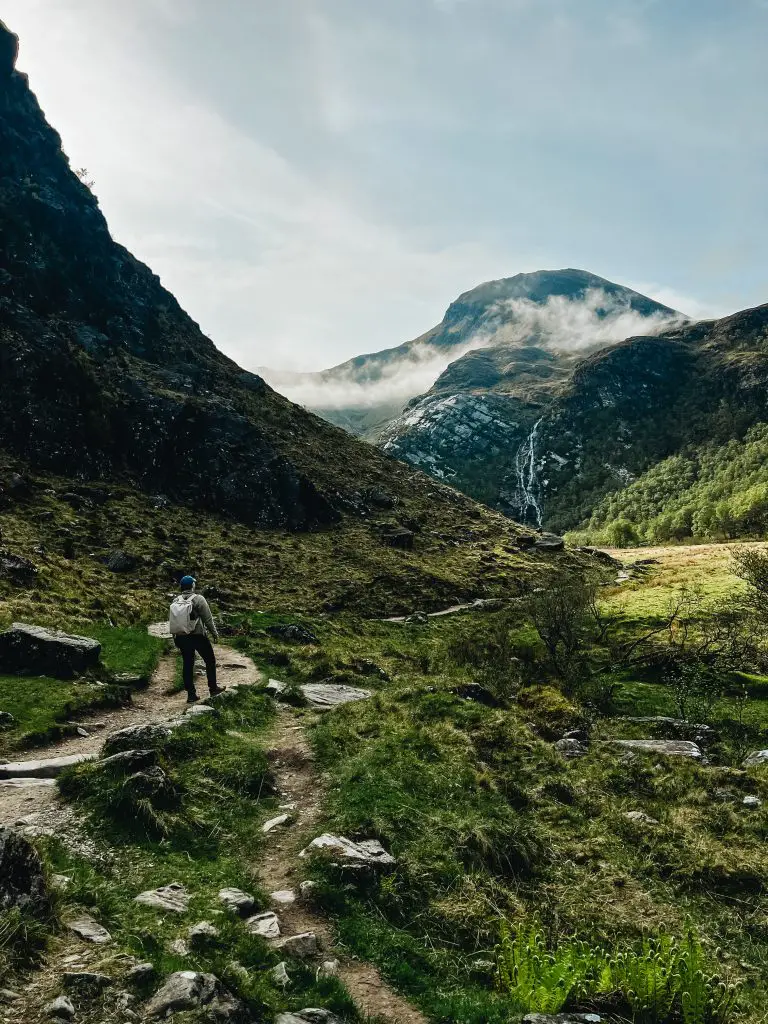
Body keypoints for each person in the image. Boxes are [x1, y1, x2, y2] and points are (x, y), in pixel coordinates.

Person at [169, 575, 225, 703]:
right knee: (210, 660)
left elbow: (174, 621)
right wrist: (215, 634)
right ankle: (213, 688)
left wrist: (175, 637)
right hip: (197, 636)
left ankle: (191, 695)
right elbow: (208, 619)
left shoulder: (175, 600)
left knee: (188, 664)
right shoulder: (199, 599)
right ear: (192, 586)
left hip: (181, 637)